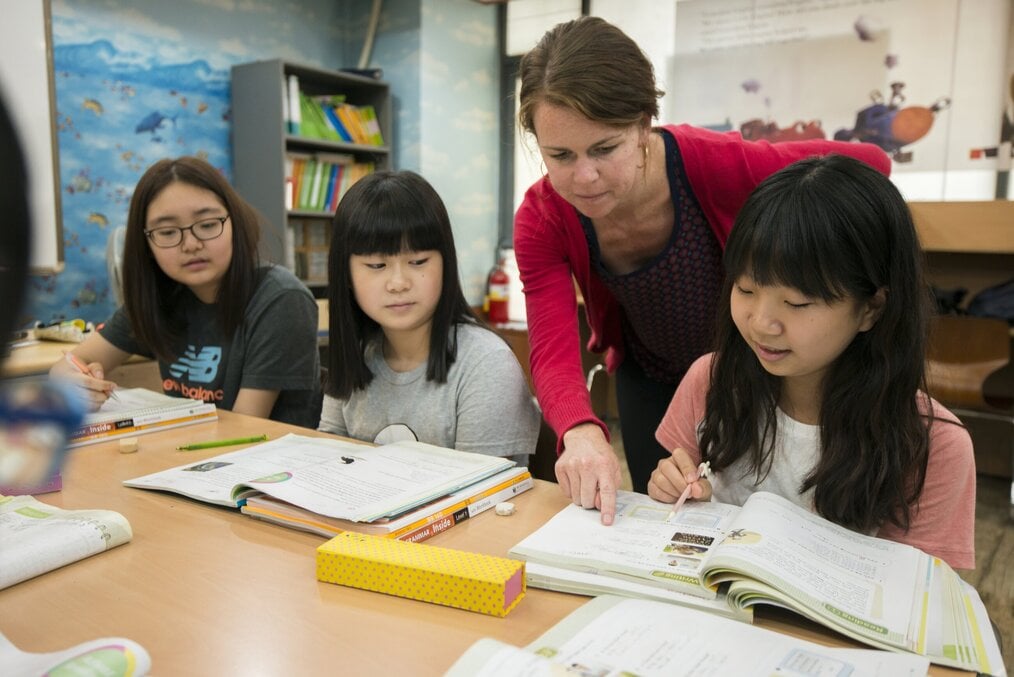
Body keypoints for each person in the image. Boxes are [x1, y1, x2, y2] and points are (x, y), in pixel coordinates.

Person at [513, 16, 892, 524]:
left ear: (644, 125)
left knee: (766, 512)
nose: (585, 177)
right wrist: (579, 431)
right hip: (649, 373)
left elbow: (872, 162)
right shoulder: (542, 218)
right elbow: (552, 347)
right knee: (665, 512)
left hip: (751, 366)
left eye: (605, 149)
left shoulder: (708, 163)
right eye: (560, 155)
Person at [649, 154, 975, 570]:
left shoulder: (933, 445)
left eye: (797, 303)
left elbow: (921, 592)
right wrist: (672, 489)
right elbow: (675, 509)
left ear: (871, 308)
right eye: (746, 289)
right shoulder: (711, 381)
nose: (762, 324)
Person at [49, 156, 321, 428]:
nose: (190, 244)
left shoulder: (281, 299)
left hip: (262, 452)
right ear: (146, 244)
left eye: (207, 225)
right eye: (168, 232)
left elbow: (243, 429)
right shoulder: (161, 298)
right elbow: (68, 364)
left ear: (234, 224)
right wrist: (75, 384)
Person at [319, 170, 539, 466]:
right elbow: (328, 462)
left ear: (446, 263)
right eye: (377, 265)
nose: (398, 283)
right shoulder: (355, 354)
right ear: (346, 275)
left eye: (418, 261)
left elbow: (481, 489)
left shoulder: (486, 365)